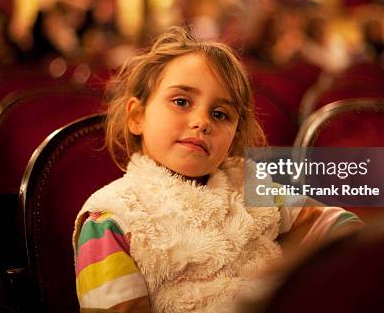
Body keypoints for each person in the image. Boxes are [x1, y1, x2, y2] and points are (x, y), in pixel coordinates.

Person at [72, 27, 362, 312]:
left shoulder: (252, 188)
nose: (202, 121)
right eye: (181, 101)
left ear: (234, 136)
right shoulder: (112, 218)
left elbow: (336, 229)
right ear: (137, 116)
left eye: (220, 114)